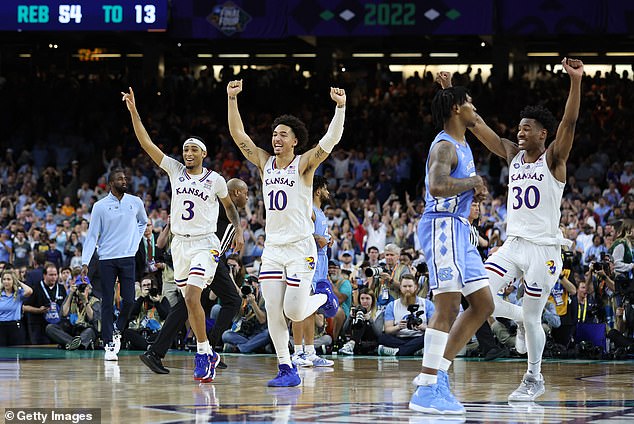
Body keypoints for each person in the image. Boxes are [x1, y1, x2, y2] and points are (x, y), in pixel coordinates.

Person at [467, 58, 584, 401]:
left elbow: (571, 121)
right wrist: (452, 95)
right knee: (480, 296)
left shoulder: (554, 159)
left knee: (534, 318)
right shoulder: (511, 155)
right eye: (518, 128)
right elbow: (477, 125)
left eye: (527, 128)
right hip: (513, 244)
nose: (520, 132)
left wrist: (575, 82)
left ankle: (534, 377)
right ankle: (517, 317)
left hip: (544, 250)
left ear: (543, 134)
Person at [122, 87, 244, 383]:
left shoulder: (215, 179)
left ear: (204, 154)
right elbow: (147, 143)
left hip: (205, 243)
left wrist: (238, 227)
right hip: (180, 245)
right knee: (189, 302)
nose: (187, 153)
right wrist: (134, 112)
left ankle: (203, 353)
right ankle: (207, 351)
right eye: (185, 149)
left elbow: (230, 207)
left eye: (193, 150)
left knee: (192, 295)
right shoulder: (174, 170)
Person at [227, 80, 344, 387]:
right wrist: (231, 99)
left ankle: (321, 297)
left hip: (300, 247)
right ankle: (286, 368)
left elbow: (329, 141)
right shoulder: (265, 162)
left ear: (294, 141)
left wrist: (340, 108)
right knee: (274, 311)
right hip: (274, 248)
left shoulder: (304, 165)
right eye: (274, 133)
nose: (276, 137)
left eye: (282, 134)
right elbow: (239, 136)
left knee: (294, 310)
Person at [409, 83, 494, 415]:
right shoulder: (444, 147)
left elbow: (466, 116)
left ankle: (438, 373)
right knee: (447, 307)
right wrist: (472, 183)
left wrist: (448, 88)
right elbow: (435, 185)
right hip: (442, 226)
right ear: (457, 109)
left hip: (460, 227)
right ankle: (428, 386)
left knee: (483, 304)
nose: (474, 107)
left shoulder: (462, 140)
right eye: (469, 102)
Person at [139, 179, 248, 375]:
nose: (248, 198)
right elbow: (219, 246)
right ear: (237, 193)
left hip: (197, 255)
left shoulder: (215, 205)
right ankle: (208, 349)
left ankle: (157, 352)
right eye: (246, 193)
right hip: (208, 258)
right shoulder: (226, 210)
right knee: (229, 300)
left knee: (189, 304)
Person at [80, 168, 148, 362]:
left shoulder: (135, 202)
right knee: (107, 301)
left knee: (129, 300)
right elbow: (92, 235)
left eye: (125, 178)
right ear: (110, 183)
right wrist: (85, 261)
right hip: (106, 258)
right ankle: (109, 342)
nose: (124, 181)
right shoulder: (100, 206)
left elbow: (143, 222)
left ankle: (118, 328)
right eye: (120, 179)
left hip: (128, 257)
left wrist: (134, 243)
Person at [292, 175, 335, 368]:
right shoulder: (308, 209)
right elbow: (298, 231)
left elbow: (320, 236)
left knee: (311, 309)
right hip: (307, 262)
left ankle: (310, 352)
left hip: (321, 263)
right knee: (300, 309)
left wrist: (326, 238)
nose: (328, 192)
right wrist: (317, 237)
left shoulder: (320, 212)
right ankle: (297, 352)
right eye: (325, 188)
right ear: (318, 190)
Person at [378, 274, 435, 356]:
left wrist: (422, 326)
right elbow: (388, 329)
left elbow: (433, 328)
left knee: (430, 338)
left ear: (415, 287)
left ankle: (398, 352)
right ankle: (414, 351)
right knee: (382, 338)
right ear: (400, 287)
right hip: (400, 338)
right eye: (404, 286)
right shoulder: (392, 305)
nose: (407, 289)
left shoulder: (427, 304)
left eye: (410, 286)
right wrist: (398, 327)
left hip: (419, 337)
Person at [46, 275, 100, 350]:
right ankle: (75, 343)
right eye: (79, 287)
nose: (82, 289)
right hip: (73, 330)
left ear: (89, 288)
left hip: (86, 329)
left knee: (89, 331)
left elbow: (92, 318)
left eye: (84, 287)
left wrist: (85, 301)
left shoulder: (94, 301)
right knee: (50, 328)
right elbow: (63, 314)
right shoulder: (72, 299)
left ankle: (70, 343)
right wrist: (70, 294)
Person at [0, 270, 33, 346]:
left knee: (16, 352)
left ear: (13, 281)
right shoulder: (0, 294)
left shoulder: (18, 293)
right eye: (4, 279)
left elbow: (29, 291)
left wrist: (18, 282)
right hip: (1, 326)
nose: (6, 282)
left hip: (15, 326)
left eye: (8, 279)